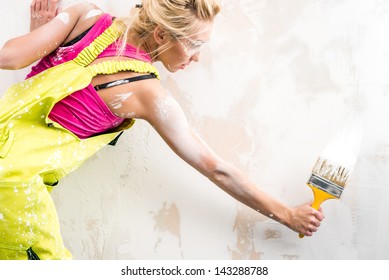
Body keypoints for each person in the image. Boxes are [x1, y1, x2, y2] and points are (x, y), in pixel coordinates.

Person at [0, 0, 324, 260]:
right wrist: (287, 215)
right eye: (194, 45)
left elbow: (9, 56)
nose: (196, 58)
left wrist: (39, 35)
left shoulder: (86, 15)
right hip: (12, 190)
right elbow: (216, 168)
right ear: (160, 36)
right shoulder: (147, 94)